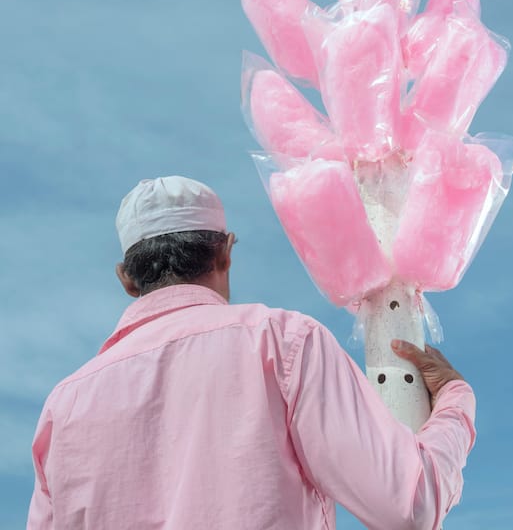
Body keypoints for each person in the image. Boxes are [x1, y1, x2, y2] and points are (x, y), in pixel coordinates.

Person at [28, 176, 475, 530]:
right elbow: (408, 507)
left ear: (126, 279)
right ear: (225, 253)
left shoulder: (63, 406)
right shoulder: (283, 343)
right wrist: (455, 401)